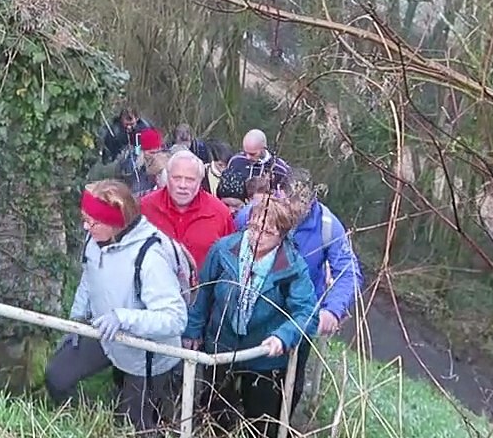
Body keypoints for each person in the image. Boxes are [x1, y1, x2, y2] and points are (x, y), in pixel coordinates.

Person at [46, 180, 187, 432]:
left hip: (146, 353)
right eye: (84, 219)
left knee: (135, 426)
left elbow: (175, 319)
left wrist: (123, 318)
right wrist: (76, 322)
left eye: (93, 222)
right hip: (105, 333)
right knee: (57, 376)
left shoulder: (151, 257)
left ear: (117, 222)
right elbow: (89, 280)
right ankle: (85, 425)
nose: (86, 228)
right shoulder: (95, 241)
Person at [183, 197, 316, 438]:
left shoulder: (292, 266)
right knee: (215, 412)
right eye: (254, 227)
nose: (257, 236)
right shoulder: (224, 250)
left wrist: (283, 336)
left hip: (264, 358)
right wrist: (193, 328)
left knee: (261, 422)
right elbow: (205, 292)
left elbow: (307, 313)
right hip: (221, 347)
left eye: (267, 232)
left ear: (282, 236)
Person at [235, 169, 362, 412]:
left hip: (299, 316)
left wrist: (332, 310)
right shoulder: (253, 214)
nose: (294, 207)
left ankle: (278, 424)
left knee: (286, 387)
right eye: (289, 198)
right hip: (250, 313)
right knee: (237, 378)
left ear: (313, 199)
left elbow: (348, 272)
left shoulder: (327, 226)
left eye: (302, 201)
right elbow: (228, 248)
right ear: (279, 192)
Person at [141, 150, 237, 269]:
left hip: (203, 286)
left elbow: (231, 263)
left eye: (190, 179)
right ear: (167, 177)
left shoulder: (220, 213)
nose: (182, 185)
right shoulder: (145, 208)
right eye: (176, 178)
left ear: (200, 181)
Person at [217, 129, 291, 204]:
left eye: (252, 154)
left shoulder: (280, 169)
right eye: (245, 152)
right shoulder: (236, 161)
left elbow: (286, 201)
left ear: (264, 148)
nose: (248, 157)